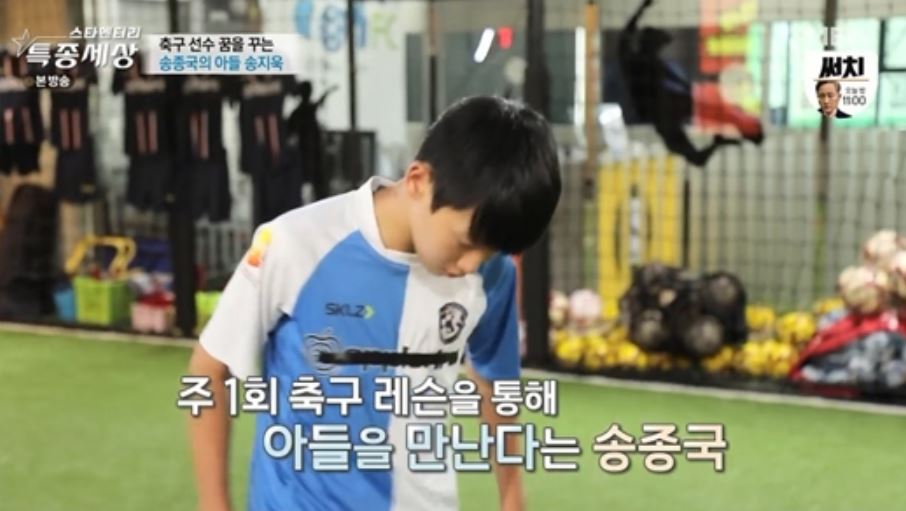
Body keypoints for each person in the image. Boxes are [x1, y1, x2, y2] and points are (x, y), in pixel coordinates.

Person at [186, 96, 562, 511]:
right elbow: (210, 370)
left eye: (491, 252)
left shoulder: (494, 274)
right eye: (466, 243)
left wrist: (512, 497)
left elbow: (494, 383)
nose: (471, 265)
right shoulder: (297, 242)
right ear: (418, 181)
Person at [287, 81, 338, 201]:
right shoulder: (306, 110)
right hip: (311, 152)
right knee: (315, 183)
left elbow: (289, 134)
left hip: (306, 153)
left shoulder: (297, 112)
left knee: (309, 184)